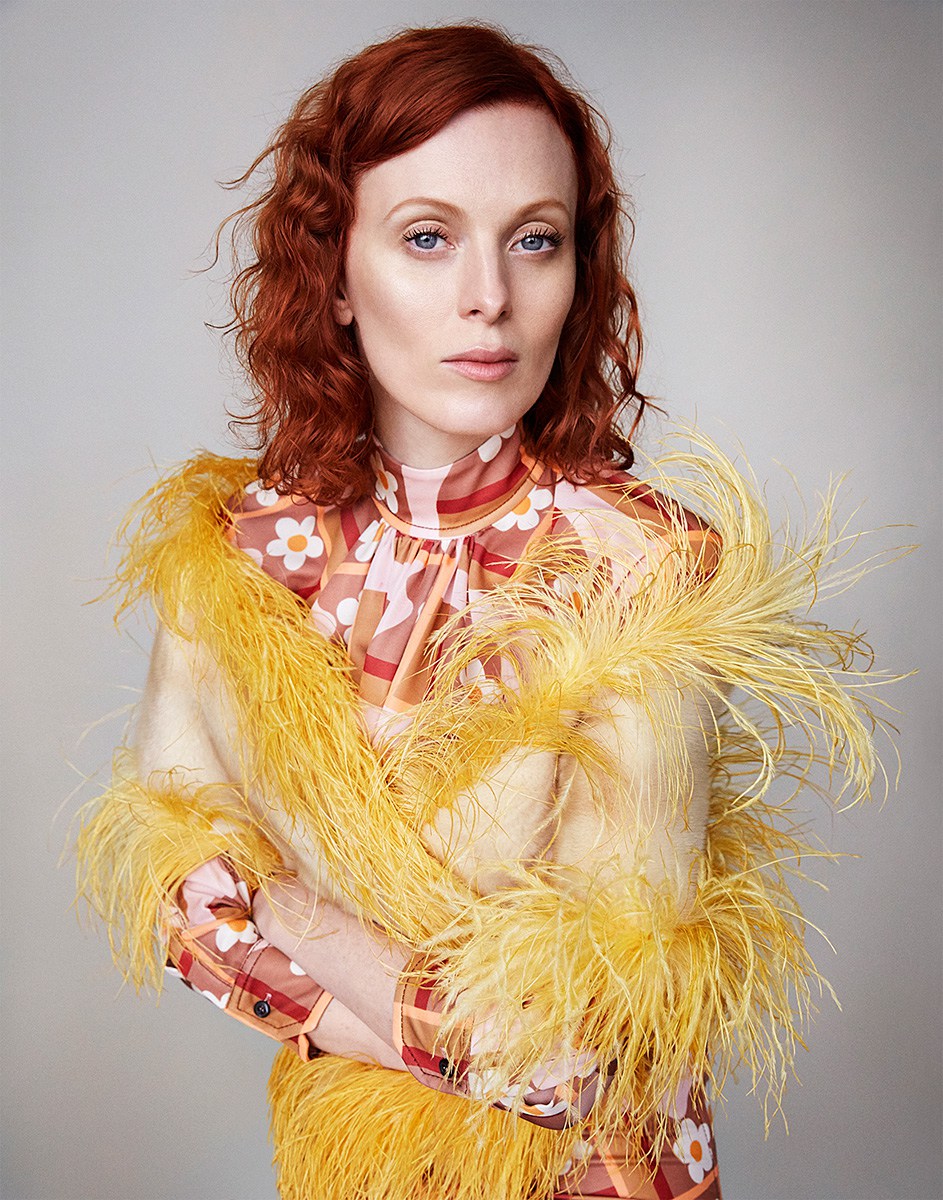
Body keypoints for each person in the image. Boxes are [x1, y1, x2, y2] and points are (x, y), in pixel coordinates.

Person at [76, 23, 883, 1200]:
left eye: (534, 241)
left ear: (577, 274)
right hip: (358, 1170)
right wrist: (421, 1027)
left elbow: (582, 1057)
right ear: (334, 274)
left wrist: (304, 920)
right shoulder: (239, 558)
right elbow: (182, 903)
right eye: (426, 237)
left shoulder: (637, 570)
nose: (490, 298)